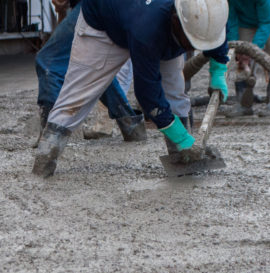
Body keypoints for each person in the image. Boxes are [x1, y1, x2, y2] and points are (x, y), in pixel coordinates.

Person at [32, 0, 229, 178]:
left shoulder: (206, 8)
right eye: (191, 42)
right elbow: (147, 93)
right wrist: (180, 136)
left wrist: (219, 68)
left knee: (176, 94)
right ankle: (44, 161)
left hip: (153, 23)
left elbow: (215, 31)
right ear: (176, 20)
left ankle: (184, 159)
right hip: (104, 26)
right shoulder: (147, 29)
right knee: (76, 96)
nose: (192, 48)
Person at [34, 0, 147, 147]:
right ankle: (131, 125)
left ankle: (50, 136)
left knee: (47, 60)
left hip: (95, 6)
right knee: (96, 67)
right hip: (112, 7)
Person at [226, 0, 270, 117]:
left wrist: (252, 50)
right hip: (245, 19)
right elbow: (231, 21)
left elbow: (266, 22)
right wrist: (236, 48)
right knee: (241, 58)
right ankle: (243, 104)